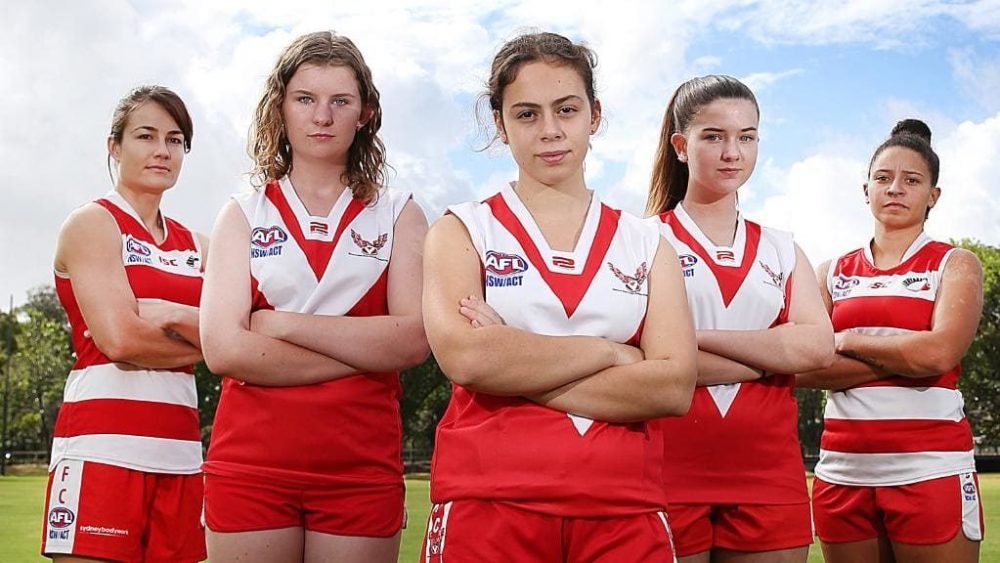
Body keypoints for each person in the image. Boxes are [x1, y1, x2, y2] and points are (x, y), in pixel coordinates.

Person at [420, 31, 698, 562]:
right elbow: (470, 357)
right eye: (526, 114)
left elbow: (672, 386)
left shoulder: (649, 243)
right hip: (488, 503)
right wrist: (612, 352)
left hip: (624, 508)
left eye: (566, 109)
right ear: (499, 125)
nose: (549, 131)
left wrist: (517, 356)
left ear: (594, 115)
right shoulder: (462, 230)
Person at [199, 31, 429, 563]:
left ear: (365, 113)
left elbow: (413, 340)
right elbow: (224, 351)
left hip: (361, 468)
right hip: (250, 465)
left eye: (340, 101)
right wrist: (363, 350)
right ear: (280, 109)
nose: (322, 116)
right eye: (305, 99)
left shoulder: (401, 212)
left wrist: (280, 325)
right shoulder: (242, 213)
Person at [646, 75, 834, 563]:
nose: (733, 152)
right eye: (714, 136)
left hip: (768, 474)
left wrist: (689, 342)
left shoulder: (782, 247)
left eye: (746, 137)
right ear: (681, 146)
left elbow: (817, 349)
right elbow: (635, 361)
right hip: (663, 469)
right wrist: (772, 354)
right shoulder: (640, 241)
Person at [797, 119, 984, 563]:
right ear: (866, 190)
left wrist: (846, 339)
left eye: (912, 180)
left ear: (933, 195)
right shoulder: (831, 272)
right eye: (883, 178)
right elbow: (803, 366)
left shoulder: (955, 264)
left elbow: (939, 353)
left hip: (930, 468)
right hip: (842, 472)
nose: (895, 188)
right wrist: (907, 354)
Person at [42, 85, 207, 562]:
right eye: (145, 135)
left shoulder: (200, 244)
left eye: (175, 140)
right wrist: (212, 340)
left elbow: (245, 332)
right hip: (103, 449)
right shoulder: (92, 223)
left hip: (179, 456)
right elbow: (119, 339)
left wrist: (173, 318)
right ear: (114, 146)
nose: (162, 150)